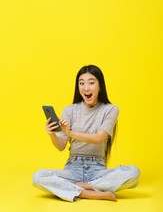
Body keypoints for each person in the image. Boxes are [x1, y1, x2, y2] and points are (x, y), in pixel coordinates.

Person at [33, 65, 140, 202]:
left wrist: (70, 133)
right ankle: (92, 193)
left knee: (133, 172)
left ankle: (78, 188)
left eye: (91, 82)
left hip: (98, 170)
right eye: (81, 83)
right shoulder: (69, 110)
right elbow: (61, 146)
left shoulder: (110, 109)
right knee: (38, 177)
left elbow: (99, 138)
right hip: (73, 168)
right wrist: (51, 134)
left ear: (100, 86)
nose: (86, 88)